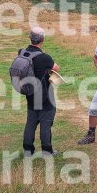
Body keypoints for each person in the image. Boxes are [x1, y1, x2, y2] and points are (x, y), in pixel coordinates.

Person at [20, 26, 60, 157]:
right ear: (42, 39)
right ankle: (47, 151)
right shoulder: (44, 58)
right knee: (46, 122)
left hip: (29, 93)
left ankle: (27, 150)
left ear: (30, 38)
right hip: (44, 95)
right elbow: (56, 68)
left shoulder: (22, 52)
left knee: (31, 121)